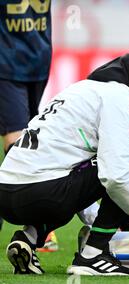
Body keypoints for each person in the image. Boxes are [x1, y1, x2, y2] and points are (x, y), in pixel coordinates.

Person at [0, 50, 129, 276]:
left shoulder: (80, 89)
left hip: (7, 195)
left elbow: (79, 177)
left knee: (65, 188)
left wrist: (94, 219)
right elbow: (114, 175)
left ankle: (28, 237)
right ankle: (92, 254)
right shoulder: (118, 98)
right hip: (42, 192)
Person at [0, 0, 52, 235]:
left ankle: (36, 221)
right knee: (17, 144)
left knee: (32, 144)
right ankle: (36, 223)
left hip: (39, 62)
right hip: (6, 66)